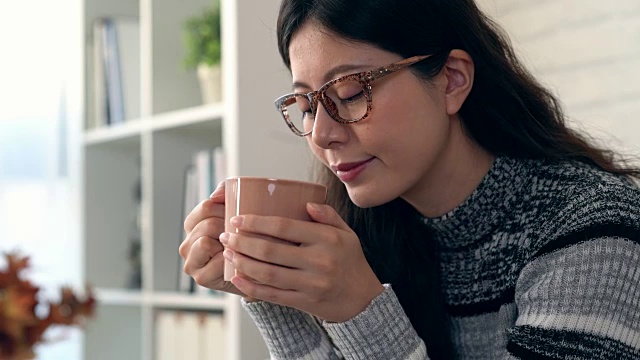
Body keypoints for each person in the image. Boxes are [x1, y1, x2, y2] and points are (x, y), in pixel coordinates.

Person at [179, 0, 640, 358]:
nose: (321, 133)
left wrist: (359, 309)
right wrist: (271, 290)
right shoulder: (368, 229)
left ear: (452, 80)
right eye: (307, 105)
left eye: (352, 92)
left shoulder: (594, 231)